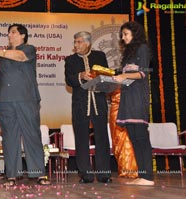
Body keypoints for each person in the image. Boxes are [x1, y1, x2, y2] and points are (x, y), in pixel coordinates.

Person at [0, 24, 50, 187]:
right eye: (9, 33)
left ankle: (38, 173)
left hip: (27, 99)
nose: (9, 35)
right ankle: (12, 175)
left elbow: (19, 57)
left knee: (31, 135)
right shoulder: (1, 56)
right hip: (5, 101)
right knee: (9, 137)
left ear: (23, 36)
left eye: (13, 32)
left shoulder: (28, 49)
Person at [64, 31, 112, 184]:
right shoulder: (70, 60)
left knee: (102, 138)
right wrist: (81, 76)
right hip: (80, 104)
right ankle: (86, 175)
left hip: (98, 102)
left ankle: (104, 174)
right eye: (75, 42)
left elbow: (107, 76)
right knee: (81, 139)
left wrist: (100, 78)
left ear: (87, 43)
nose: (76, 45)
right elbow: (69, 80)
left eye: (79, 42)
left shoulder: (100, 56)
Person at [112, 21, 154, 186]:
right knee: (134, 138)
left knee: (141, 137)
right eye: (122, 35)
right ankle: (142, 175)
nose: (123, 38)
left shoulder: (143, 48)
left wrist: (124, 76)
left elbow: (143, 73)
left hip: (138, 98)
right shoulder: (129, 53)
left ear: (135, 34)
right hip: (127, 98)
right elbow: (125, 74)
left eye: (125, 34)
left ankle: (148, 177)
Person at [108, 89, 138, 178]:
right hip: (115, 108)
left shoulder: (131, 75)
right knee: (118, 138)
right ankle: (123, 168)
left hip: (130, 107)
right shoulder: (111, 76)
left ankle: (132, 169)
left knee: (129, 139)